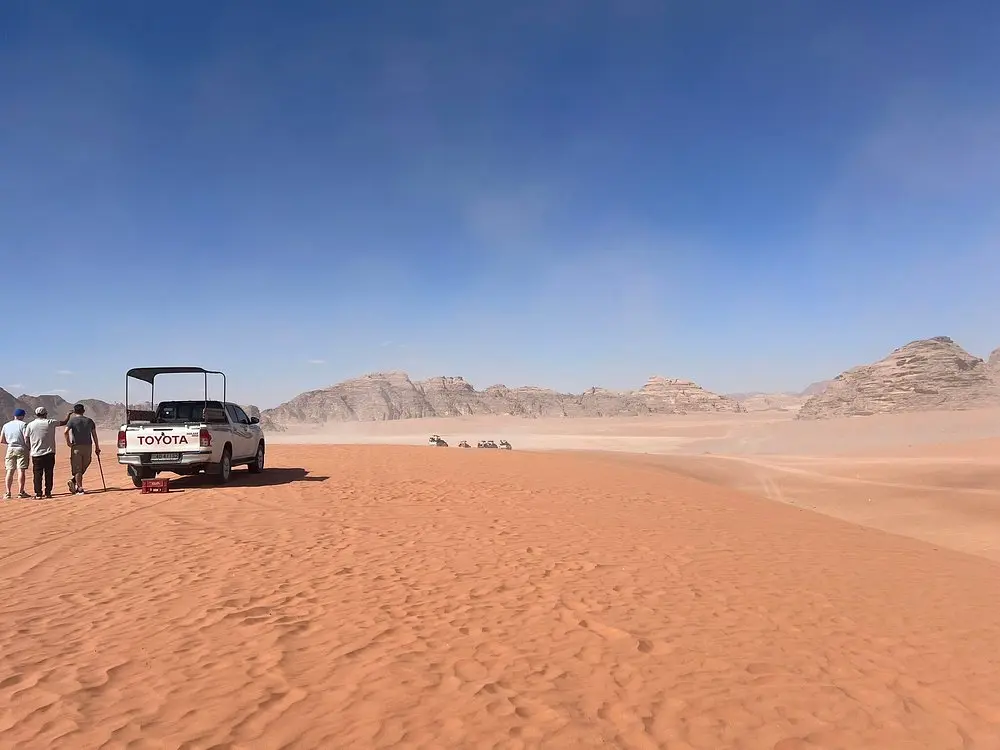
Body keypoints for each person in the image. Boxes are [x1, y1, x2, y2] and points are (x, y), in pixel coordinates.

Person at [24, 406, 73, 499]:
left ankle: (38, 493)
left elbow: (26, 438)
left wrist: (29, 448)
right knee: (49, 473)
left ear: (36, 414)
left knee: (37, 474)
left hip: (36, 454)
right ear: (45, 414)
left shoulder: (30, 425)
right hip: (49, 453)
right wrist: (68, 415)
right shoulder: (50, 422)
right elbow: (64, 422)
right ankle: (48, 492)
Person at [65, 403, 100, 495]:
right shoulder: (89, 421)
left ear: (74, 411)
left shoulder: (72, 421)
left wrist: (68, 443)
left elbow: (65, 432)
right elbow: (94, 435)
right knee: (82, 466)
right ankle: (79, 488)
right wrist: (97, 446)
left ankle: (74, 481)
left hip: (76, 447)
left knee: (78, 468)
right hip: (88, 446)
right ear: (83, 411)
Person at [2, 408, 31, 499]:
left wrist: (10, 443)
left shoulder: (6, 425)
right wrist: (28, 447)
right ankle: (20, 492)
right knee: (21, 470)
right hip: (21, 448)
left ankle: (8, 492)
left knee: (9, 471)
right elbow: (26, 438)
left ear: (14, 416)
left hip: (10, 448)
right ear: (22, 416)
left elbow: (2, 440)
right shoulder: (24, 425)